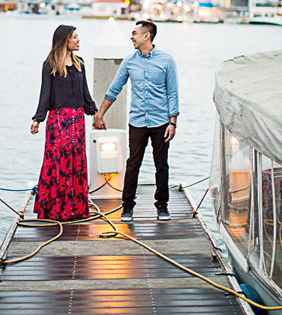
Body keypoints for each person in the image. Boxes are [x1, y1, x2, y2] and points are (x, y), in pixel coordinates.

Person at [94, 20, 178, 222]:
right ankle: (128, 207)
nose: (131, 37)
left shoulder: (167, 61)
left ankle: (162, 206)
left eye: (134, 33)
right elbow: (114, 89)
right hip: (138, 121)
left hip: (161, 123)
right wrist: (99, 114)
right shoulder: (129, 61)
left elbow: (172, 93)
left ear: (146, 36)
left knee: (161, 165)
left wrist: (172, 123)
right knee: (133, 164)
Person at [30, 25, 98, 221]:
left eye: (78, 37)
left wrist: (94, 112)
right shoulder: (50, 64)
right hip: (58, 120)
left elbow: (85, 91)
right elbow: (45, 94)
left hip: (77, 120)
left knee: (76, 161)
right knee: (58, 162)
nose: (78, 40)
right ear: (64, 40)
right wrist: (38, 118)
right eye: (74, 37)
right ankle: (55, 209)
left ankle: (74, 208)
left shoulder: (80, 63)